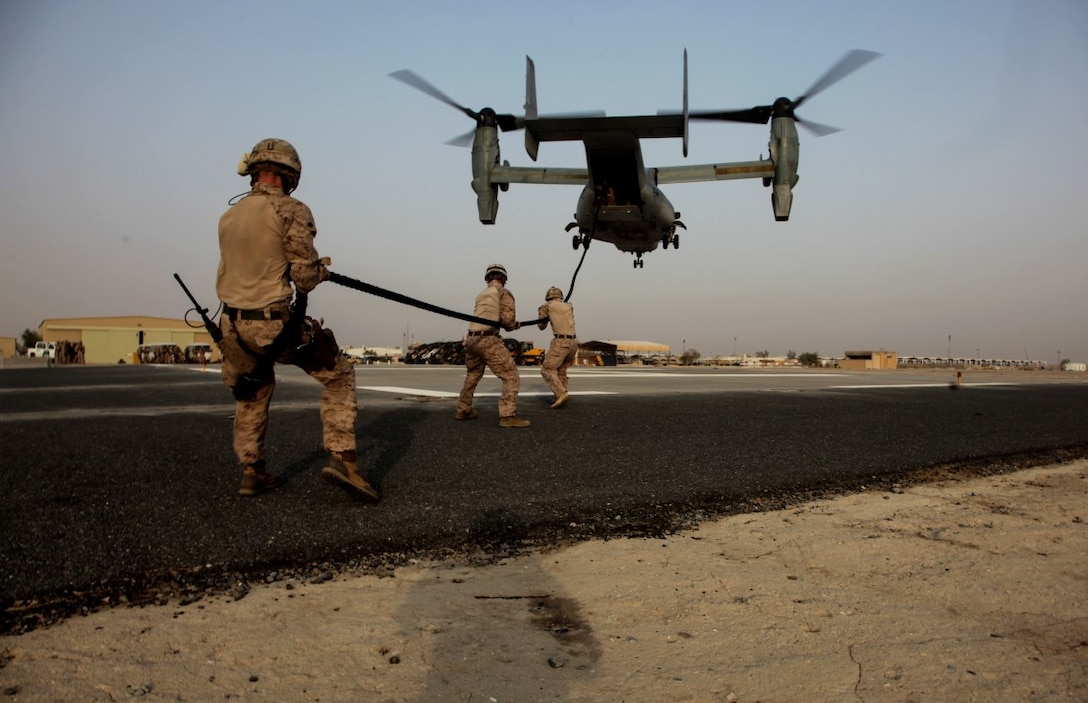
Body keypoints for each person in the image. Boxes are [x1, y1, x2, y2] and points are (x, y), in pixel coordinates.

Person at [216, 138, 378, 501]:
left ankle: (252, 471)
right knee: (339, 376)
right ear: (289, 175)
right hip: (272, 323)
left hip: (231, 326)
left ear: (254, 172)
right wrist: (320, 271)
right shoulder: (291, 210)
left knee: (253, 393)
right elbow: (303, 277)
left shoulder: (229, 215)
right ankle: (344, 461)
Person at [456, 264, 530, 428]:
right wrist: (513, 325)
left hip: (472, 339)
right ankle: (507, 415)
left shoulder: (481, 294)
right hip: (488, 339)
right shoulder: (503, 292)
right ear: (504, 278)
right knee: (511, 375)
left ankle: (463, 409)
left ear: (487, 278)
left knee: (473, 374)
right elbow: (508, 321)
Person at [537, 286, 579, 408]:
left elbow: (541, 326)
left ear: (548, 297)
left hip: (561, 342)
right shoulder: (569, 306)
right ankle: (560, 396)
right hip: (574, 343)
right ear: (560, 296)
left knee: (547, 370)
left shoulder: (546, 306)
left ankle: (561, 393)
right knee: (561, 370)